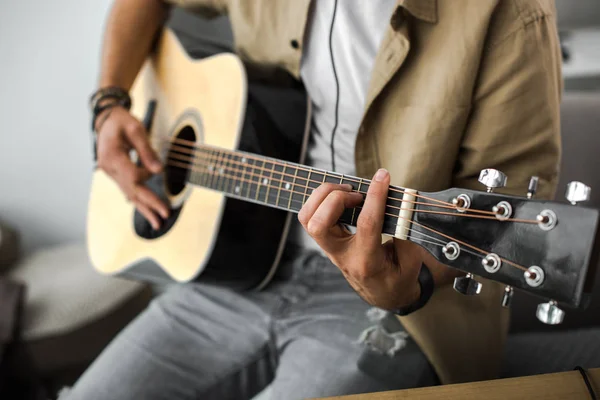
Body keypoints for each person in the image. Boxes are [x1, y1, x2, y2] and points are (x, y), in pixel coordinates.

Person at [67, 0, 562, 399]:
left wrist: (405, 284)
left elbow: (508, 210)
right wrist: (109, 106)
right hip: (240, 265)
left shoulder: (513, 12)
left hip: (399, 309)